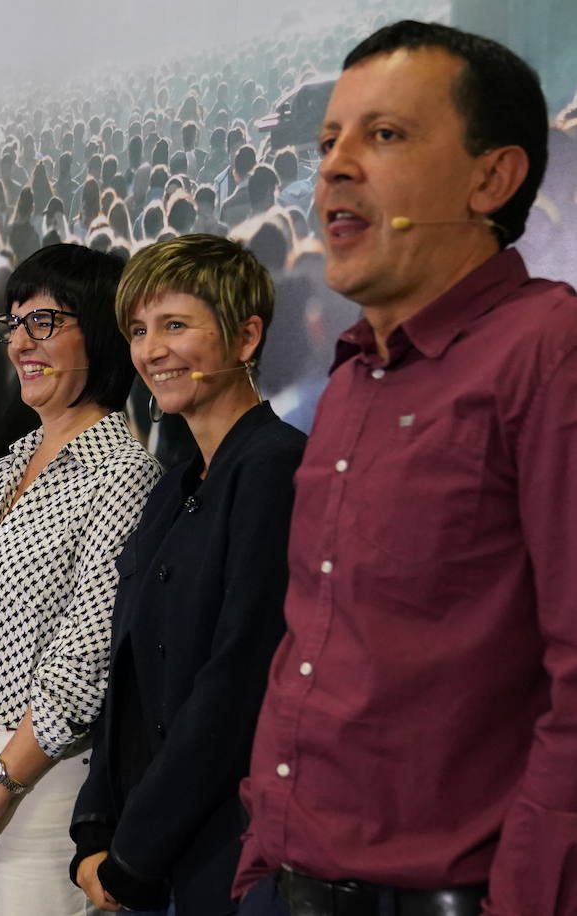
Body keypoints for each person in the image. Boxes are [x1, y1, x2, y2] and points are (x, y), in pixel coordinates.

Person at [235, 21, 577, 916]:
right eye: (327, 142)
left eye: (383, 135)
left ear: (492, 178)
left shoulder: (548, 352)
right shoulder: (351, 379)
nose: (336, 165)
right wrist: (262, 860)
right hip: (291, 883)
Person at [0, 244, 163, 916]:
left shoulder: (123, 474)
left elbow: (83, 665)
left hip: (43, 783)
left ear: (103, 333)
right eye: (13, 325)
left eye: (45, 322)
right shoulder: (5, 465)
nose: (22, 342)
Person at [70, 235, 306, 914]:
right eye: (139, 330)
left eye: (175, 325)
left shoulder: (276, 468)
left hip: (236, 853)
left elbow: (240, 679)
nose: (151, 351)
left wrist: (133, 851)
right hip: (151, 850)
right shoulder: (170, 489)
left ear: (245, 336)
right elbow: (131, 674)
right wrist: (96, 827)